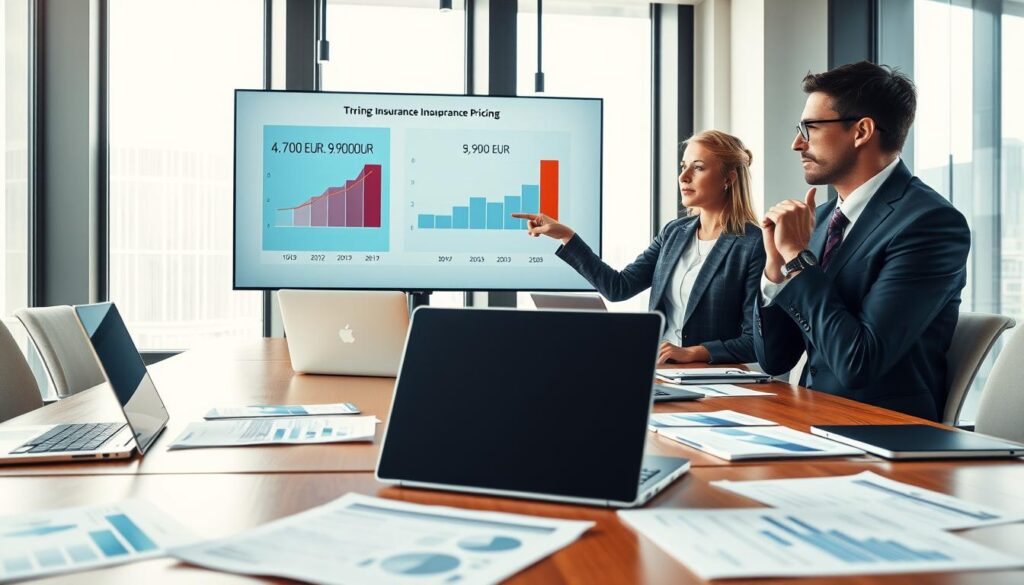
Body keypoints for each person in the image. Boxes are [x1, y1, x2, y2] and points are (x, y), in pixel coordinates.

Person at [756, 61, 970, 421]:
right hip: (810, 420)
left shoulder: (930, 224)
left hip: (881, 436)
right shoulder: (821, 219)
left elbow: (858, 363)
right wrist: (775, 273)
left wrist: (797, 257)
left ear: (862, 131)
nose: (797, 143)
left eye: (810, 128)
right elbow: (775, 359)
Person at [513, 130, 765, 365]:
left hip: (713, 380)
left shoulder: (753, 244)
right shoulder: (674, 233)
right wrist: (567, 237)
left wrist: (693, 352)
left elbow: (754, 341)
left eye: (698, 168)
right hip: (660, 370)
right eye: (683, 167)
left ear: (728, 179)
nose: (683, 177)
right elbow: (618, 287)